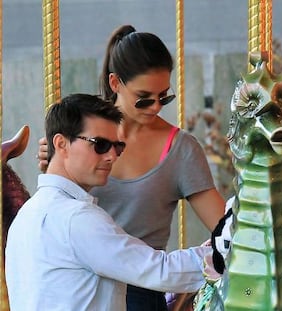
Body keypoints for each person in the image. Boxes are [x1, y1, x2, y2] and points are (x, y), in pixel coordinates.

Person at [37, 25, 225, 310]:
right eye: (144, 98)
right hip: (78, 279)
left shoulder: (181, 149)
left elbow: (222, 226)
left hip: (139, 285)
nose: (155, 107)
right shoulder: (80, 139)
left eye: (164, 97)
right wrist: (56, 163)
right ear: (115, 84)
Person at [6, 94, 212, 311]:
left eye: (118, 147)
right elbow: (160, 271)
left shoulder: (27, 213)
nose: (112, 156)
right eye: (100, 145)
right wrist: (223, 254)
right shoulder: (77, 218)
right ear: (61, 143)